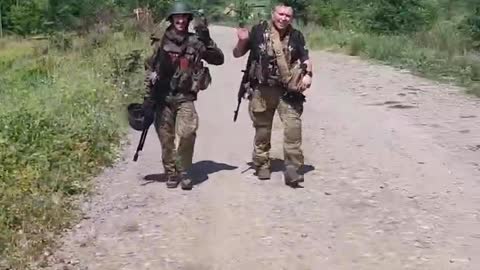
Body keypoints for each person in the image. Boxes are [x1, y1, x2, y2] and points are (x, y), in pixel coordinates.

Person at [142, 1, 224, 190]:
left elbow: (218, 59)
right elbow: (148, 67)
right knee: (166, 137)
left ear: (188, 19)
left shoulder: (195, 41)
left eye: (184, 17)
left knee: (187, 133)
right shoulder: (160, 41)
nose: (180, 20)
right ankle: (171, 172)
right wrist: (148, 91)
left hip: (185, 96)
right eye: (177, 17)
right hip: (163, 97)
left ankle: (184, 170)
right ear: (171, 19)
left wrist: (207, 38)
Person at [232, 1, 313, 187]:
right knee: (262, 129)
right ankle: (261, 163)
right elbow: (237, 54)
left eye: (287, 15)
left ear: (291, 18)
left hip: (287, 91)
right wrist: (242, 40)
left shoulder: (296, 36)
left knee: (293, 127)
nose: (283, 18)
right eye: (280, 14)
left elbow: (305, 58)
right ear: (273, 13)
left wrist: (308, 75)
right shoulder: (258, 31)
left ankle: (292, 167)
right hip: (262, 89)